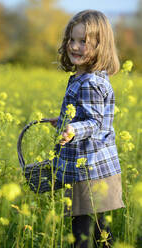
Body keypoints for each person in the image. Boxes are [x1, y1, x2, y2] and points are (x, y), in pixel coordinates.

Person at [50, 10, 125, 248]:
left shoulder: (90, 82)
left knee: (82, 233)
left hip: (88, 171)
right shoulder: (90, 77)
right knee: (100, 232)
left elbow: (94, 122)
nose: (74, 46)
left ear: (100, 46)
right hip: (96, 169)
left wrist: (72, 128)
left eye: (83, 41)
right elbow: (89, 115)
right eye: (72, 39)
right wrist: (63, 121)